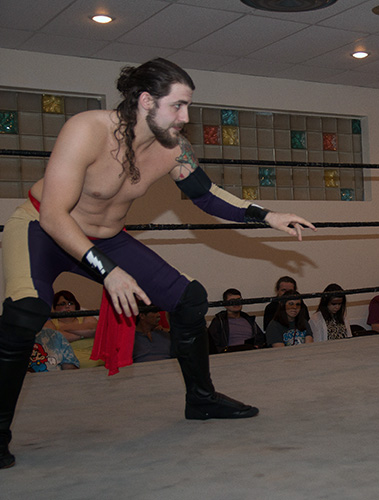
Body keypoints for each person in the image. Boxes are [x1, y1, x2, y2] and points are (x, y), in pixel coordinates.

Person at [0, 58, 315, 469]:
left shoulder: (173, 148)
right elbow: (55, 216)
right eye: (178, 106)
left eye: (188, 107)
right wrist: (109, 272)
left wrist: (268, 216)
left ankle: (201, 399)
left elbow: (208, 195)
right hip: (42, 229)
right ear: (146, 100)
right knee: (25, 312)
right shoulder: (87, 129)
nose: (185, 117)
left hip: (107, 238)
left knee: (190, 298)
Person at [43, 290, 103, 369]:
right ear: (55, 308)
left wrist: (64, 329)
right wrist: (84, 334)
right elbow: (55, 339)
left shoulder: (87, 317)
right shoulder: (50, 323)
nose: (67, 306)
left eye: (70, 303)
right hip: (71, 366)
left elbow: (94, 330)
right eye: (62, 304)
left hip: (99, 363)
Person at [208, 288, 265, 352]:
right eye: (232, 301)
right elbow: (212, 344)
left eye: (238, 300)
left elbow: (260, 339)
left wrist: (257, 346)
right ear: (225, 305)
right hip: (229, 354)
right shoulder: (219, 321)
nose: (236, 303)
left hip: (251, 352)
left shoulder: (249, 320)